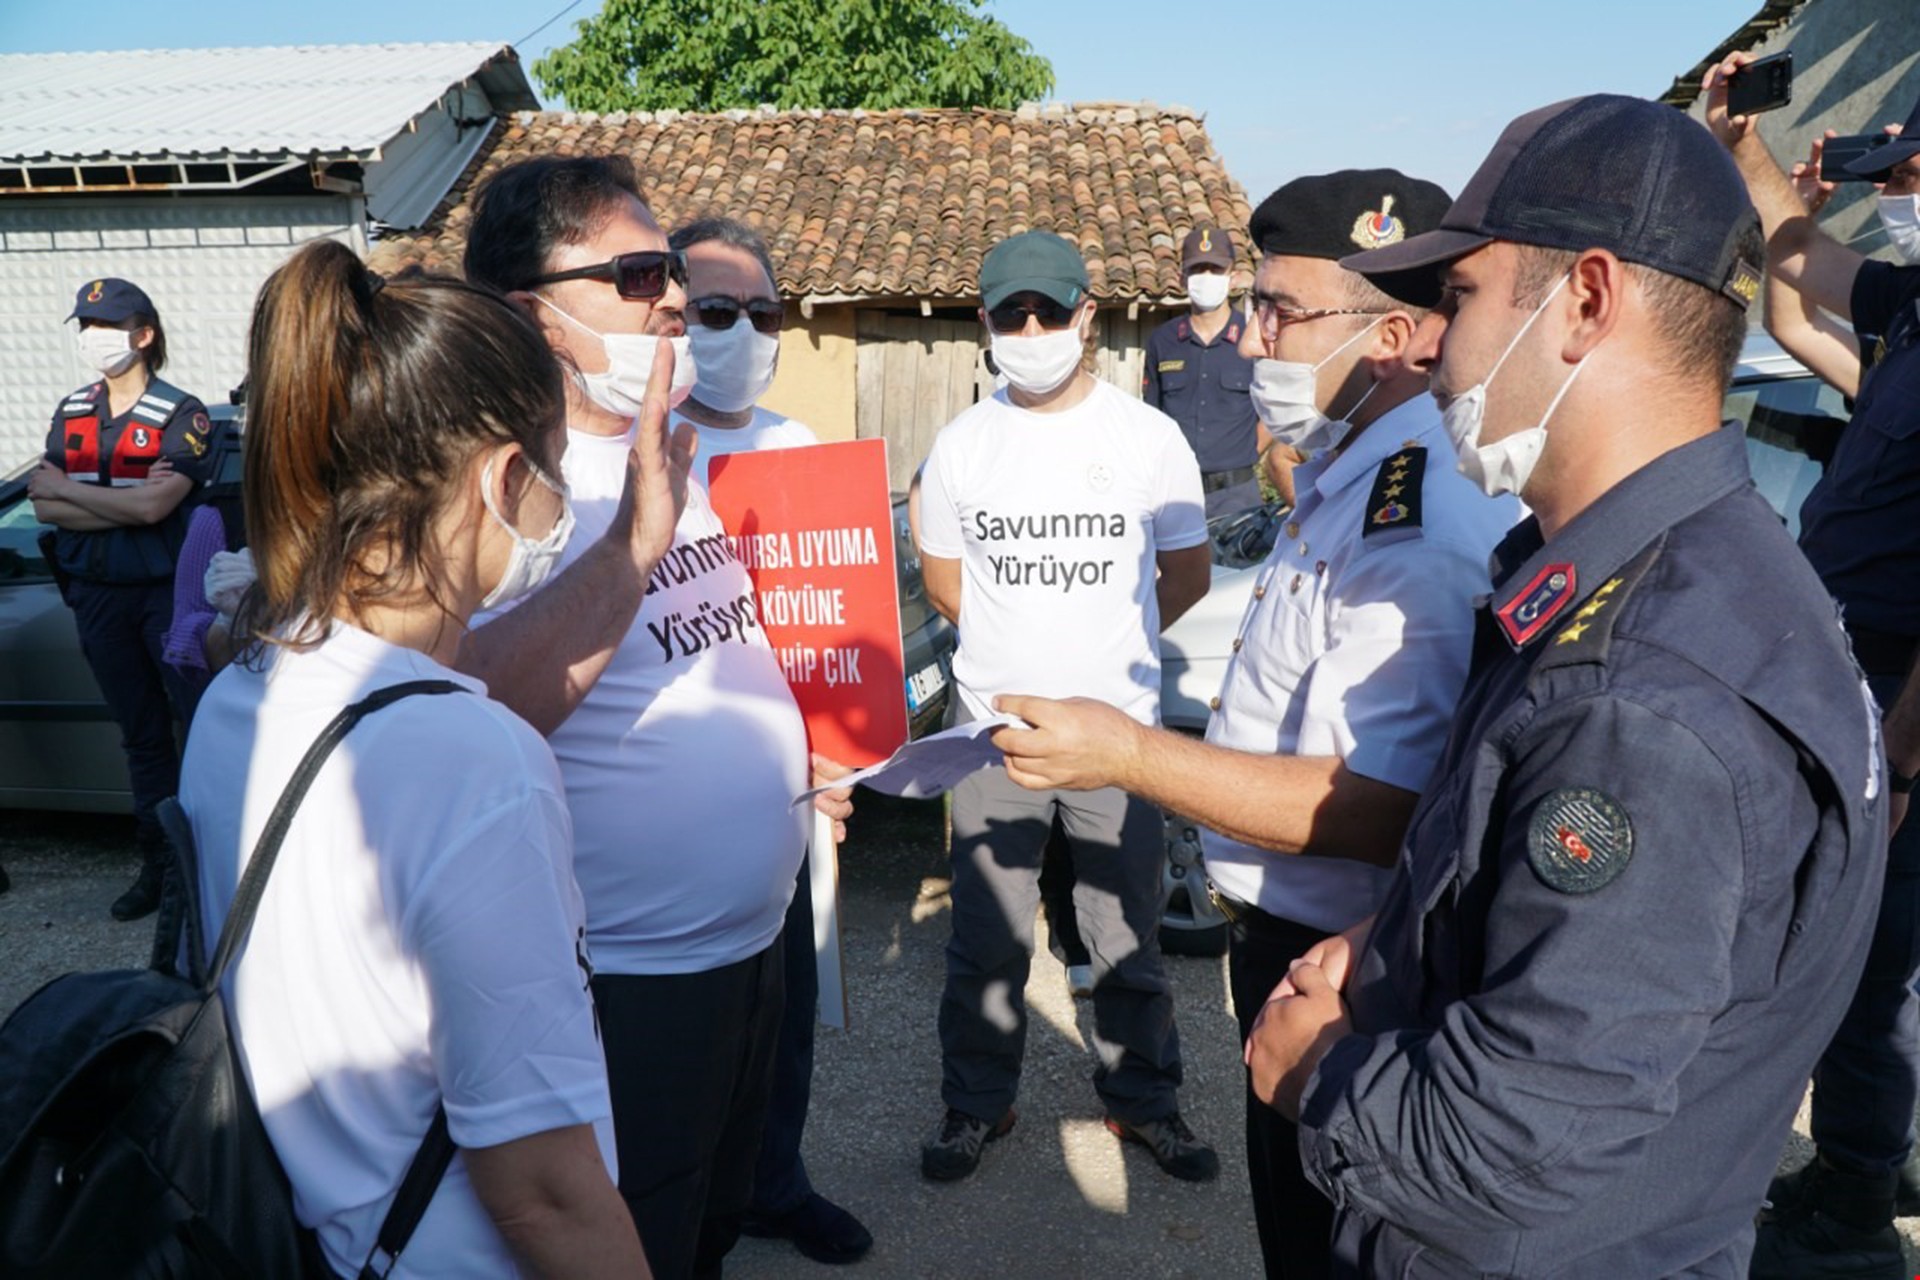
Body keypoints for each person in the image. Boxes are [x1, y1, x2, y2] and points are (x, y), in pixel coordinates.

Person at [1242, 93, 1886, 1277]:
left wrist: (1318, 1068)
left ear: (1585, 299)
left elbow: (1512, 1161)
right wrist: (1399, 950)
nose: (1435, 342)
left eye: (1461, 297)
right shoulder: (1692, 575)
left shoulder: (1642, 693)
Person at [989, 169, 1511, 1279]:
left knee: (1332, 1242)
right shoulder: (1352, 474)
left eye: (1284, 311)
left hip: (1348, 963)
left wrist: (1128, 752)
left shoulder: (1412, 521)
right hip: (1293, 937)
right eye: (1258, 303)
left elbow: (1379, 806)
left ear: (1402, 337)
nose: (1254, 337)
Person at [178, 241, 655, 1279]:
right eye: (554, 476)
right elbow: (542, 1186)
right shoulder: (476, 758)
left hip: (305, 1235)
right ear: (502, 477)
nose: (557, 511)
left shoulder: (238, 695)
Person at [461, 156, 853, 1280]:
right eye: (639, 275)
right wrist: (630, 538)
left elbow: (714, 651)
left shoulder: (672, 451)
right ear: (535, 313)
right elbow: (471, 704)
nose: (673, 299)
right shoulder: (500, 485)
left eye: (671, 270)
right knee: (641, 1237)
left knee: (714, 1221)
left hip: (749, 944)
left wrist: (816, 748)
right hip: (623, 974)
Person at [913, 229, 1217, 1184]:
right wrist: (1025, 653)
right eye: (1015, 314)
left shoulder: (1148, 438)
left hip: (1119, 740)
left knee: (1127, 939)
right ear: (988, 325)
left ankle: (1145, 1105)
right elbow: (947, 585)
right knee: (984, 943)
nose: (1035, 328)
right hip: (997, 738)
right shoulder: (962, 447)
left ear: (1088, 315)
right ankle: (976, 1106)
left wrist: (1101, 645)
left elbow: (1188, 575)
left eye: (1052, 310)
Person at [1708, 66, 1920, 1279]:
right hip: (1855, 688)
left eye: (1907, 174)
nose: (1892, 193)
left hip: (1897, 706)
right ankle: (1862, 1162)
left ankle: (1853, 1211)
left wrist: (1898, 753)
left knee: (1871, 962)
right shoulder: (1911, 304)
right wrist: (1743, 136)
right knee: (1846, 952)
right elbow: (1798, 266)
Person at [664, 212, 873, 1267]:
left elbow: (839, 630)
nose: (740, 331)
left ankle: (772, 1181)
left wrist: (847, 743)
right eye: (713, 311)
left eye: (762, 312)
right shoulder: (636, 451)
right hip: (659, 801)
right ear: (669, 311)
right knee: (674, 1041)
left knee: (781, 1007)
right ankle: (683, 1203)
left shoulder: (800, 452)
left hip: (790, 793)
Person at [28, 277, 216, 922]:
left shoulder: (181, 414)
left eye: (104, 325)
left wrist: (77, 495)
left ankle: (211, 865)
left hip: (166, 598)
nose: (92, 338)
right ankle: (158, 867)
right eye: (84, 325)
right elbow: (43, 501)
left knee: (197, 729)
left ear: (144, 335)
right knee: (140, 737)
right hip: (97, 597)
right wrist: (124, 507)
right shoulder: (74, 409)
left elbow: (155, 506)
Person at [1144, 226, 1264, 517]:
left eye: (1215, 269)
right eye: (1198, 269)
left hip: (1238, 495)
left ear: (1232, 277)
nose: (1207, 277)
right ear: (1182, 278)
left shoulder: (1253, 339)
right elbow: (1151, 415)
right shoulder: (1163, 341)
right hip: (1175, 493)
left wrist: (1243, 454)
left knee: (1244, 565)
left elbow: (1273, 410)